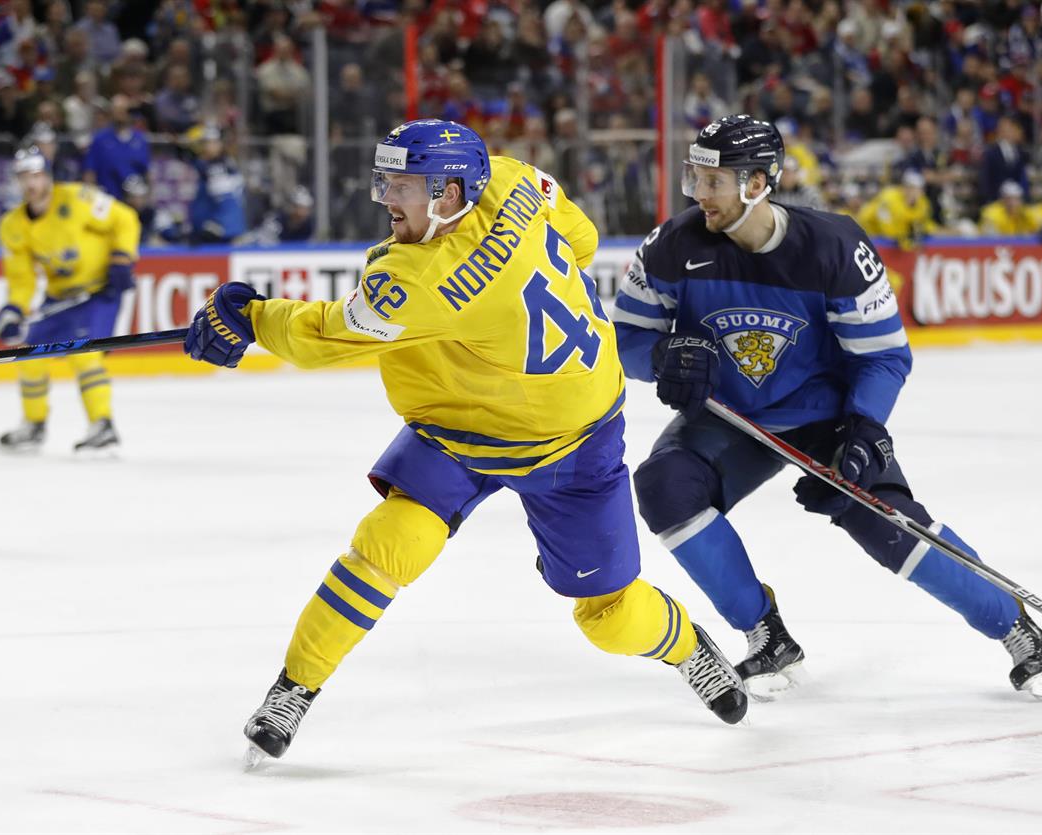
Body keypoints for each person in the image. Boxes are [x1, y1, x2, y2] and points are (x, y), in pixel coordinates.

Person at [182, 119, 750, 766]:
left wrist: (248, 317)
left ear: (450, 194)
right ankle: (294, 688)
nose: (386, 198)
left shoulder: (421, 281)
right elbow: (583, 239)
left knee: (611, 617)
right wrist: (497, 310)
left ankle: (688, 646)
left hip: (571, 443)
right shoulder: (513, 179)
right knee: (390, 544)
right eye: (386, 180)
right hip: (464, 423)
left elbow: (323, 335)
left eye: (402, 185)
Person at [611, 114, 1042, 705]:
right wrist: (665, 355)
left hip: (823, 415)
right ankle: (765, 633)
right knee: (665, 488)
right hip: (730, 418)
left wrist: (866, 426)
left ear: (757, 184)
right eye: (693, 178)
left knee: (883, 521)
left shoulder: (833, 247)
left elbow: (883, 357)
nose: (698, 194)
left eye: (713, 180)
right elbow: (625, 340)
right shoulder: (674, 244)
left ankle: (1018, 631)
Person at [0, 146, 141, 454]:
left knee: (84, 353)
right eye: (23, 176)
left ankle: (102, 425)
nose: (30, 183)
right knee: (29, 355)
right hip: (60, 297)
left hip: (100, 291)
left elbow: (125, 218)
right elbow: (22, 278)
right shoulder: (12, 226)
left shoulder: (78, 198)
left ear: (47, 175)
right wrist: (13, 310)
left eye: (35, 175)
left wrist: (122, 259)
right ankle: (33, 425)